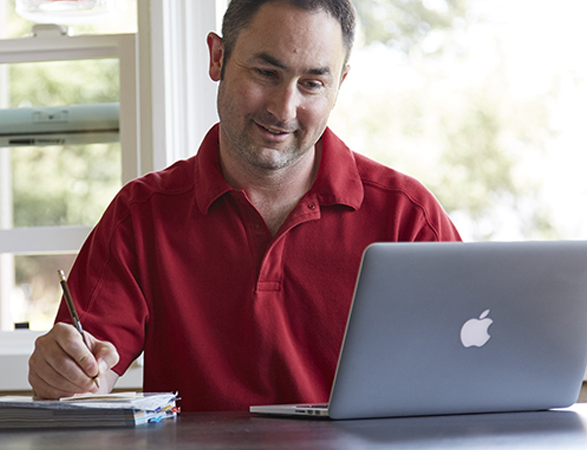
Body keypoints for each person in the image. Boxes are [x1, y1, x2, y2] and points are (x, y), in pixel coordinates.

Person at [28, 0, 461, 412]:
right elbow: (86, 376)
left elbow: (468, 366)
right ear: (217, 57)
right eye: (266, 73)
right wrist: (66, 375)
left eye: (312, 83)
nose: (283, 108)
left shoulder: (409, 217)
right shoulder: (140, 215)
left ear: (338, 86)